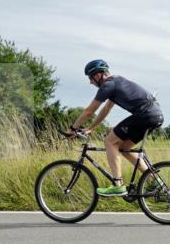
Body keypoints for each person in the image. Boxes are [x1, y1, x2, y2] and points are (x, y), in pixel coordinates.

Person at [66, 60, 164, 196]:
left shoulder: (108, 86)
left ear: (98, 75)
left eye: (90, 78)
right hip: (154, 116)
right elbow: (106, 109)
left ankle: (118, 185)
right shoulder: (116, 83)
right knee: (124, 149)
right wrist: (90, 128)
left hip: (145, 115)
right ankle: (155, 181)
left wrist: (73, 128)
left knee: (109, 141)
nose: (90, 82)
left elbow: (89, 111)